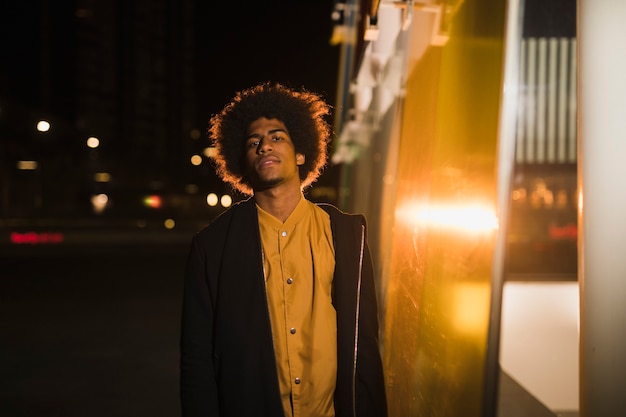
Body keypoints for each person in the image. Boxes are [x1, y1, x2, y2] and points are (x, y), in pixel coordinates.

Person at [180, 82, 387, 417]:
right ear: (242, 162)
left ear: (301, 152)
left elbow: (365, 349)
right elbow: (197, 358)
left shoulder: (346, 235)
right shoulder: (212, 246)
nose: (264, 146)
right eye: (253, 142)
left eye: (277, 137)